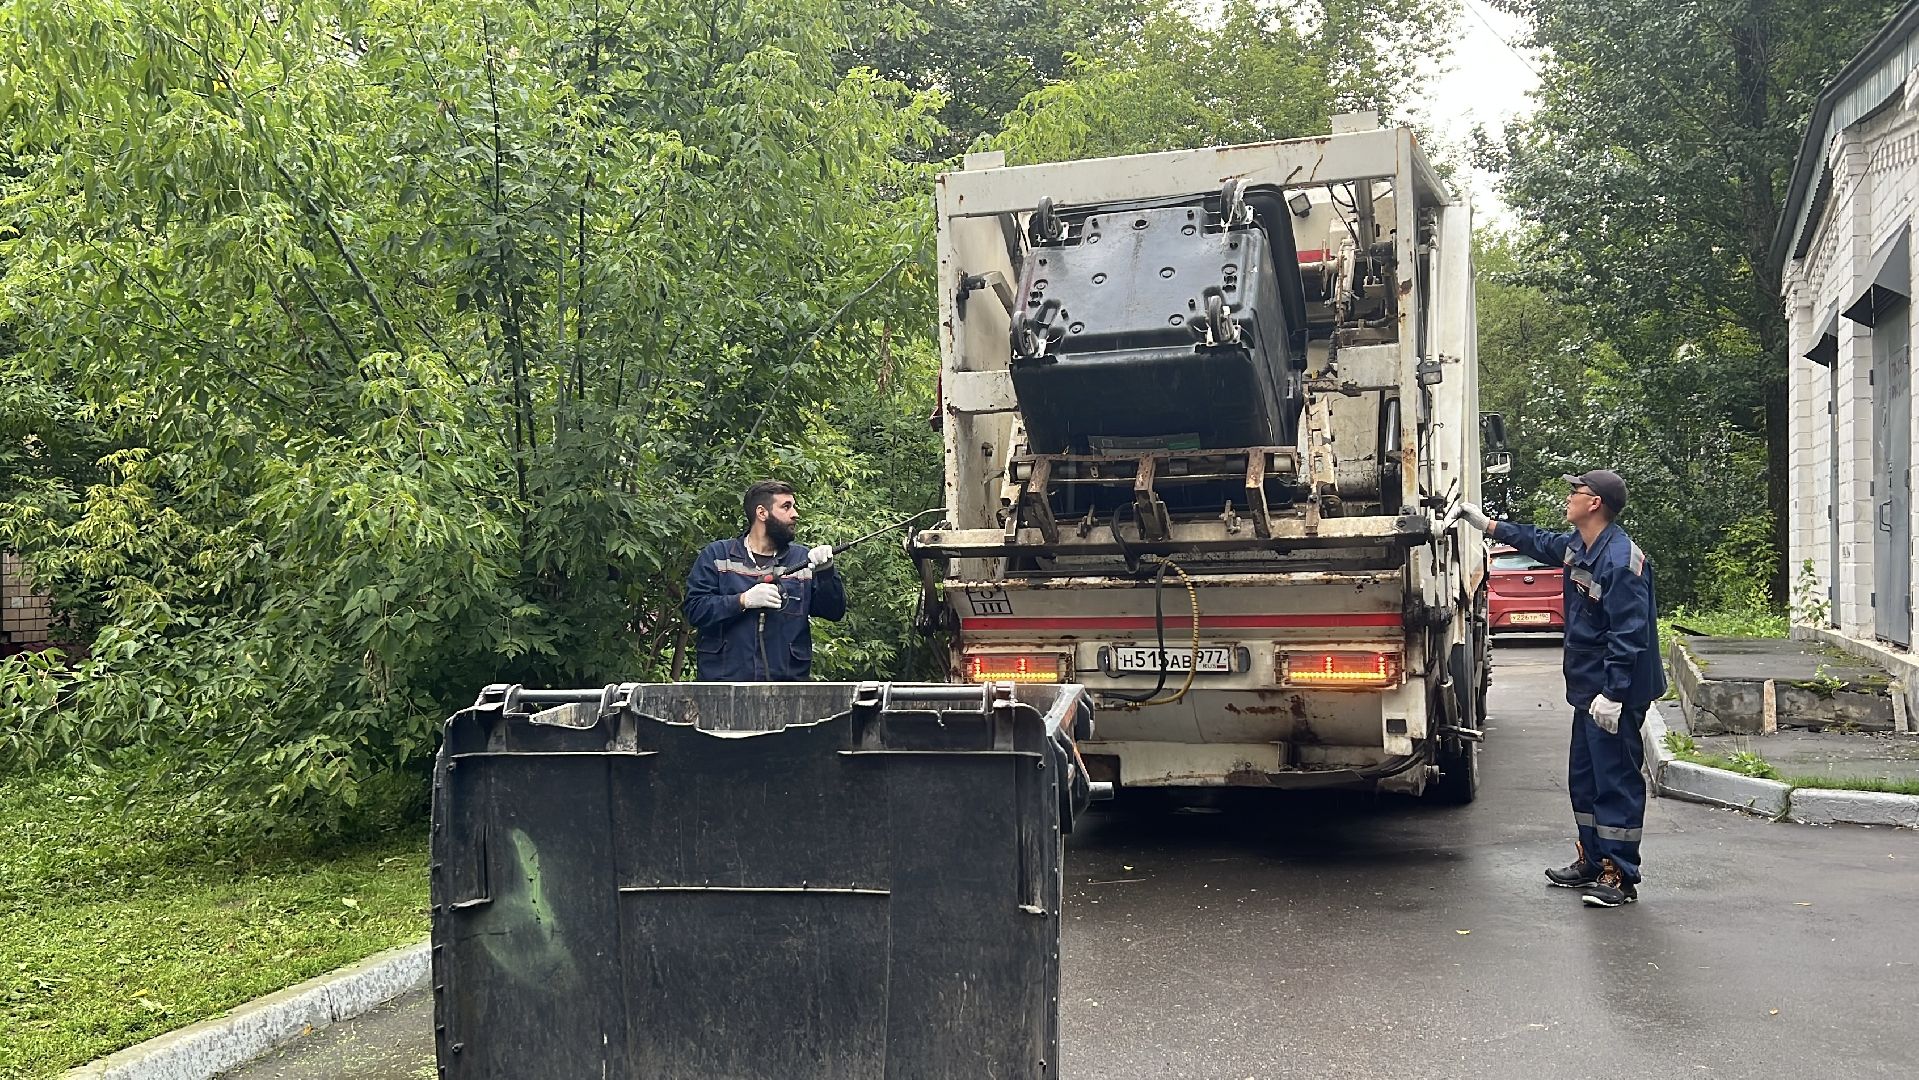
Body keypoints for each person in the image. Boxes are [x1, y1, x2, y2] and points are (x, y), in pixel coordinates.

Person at [1458, 470, 1663, 908]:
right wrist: (1489, 525)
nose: (1568, 497)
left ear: (1595, 504)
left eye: (1576, 491)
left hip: (1616, 694)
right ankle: (1592, 859)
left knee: (1616, 780)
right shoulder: (1581, 547)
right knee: (1585, 778)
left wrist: (1614, 693)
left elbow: (1629, 635)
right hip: (1589, 690)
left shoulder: (1621, 560)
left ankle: (1619, 876)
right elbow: (1540, 541)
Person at [682, 480, 846, 681]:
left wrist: (826, 572)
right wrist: (742, 601)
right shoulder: (717, 556)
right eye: (786, 507)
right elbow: (694, 610)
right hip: (723, 689)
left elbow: (834, 612)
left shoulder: (802, 560)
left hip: (786, 689)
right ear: (762, 513)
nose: (795, 514)